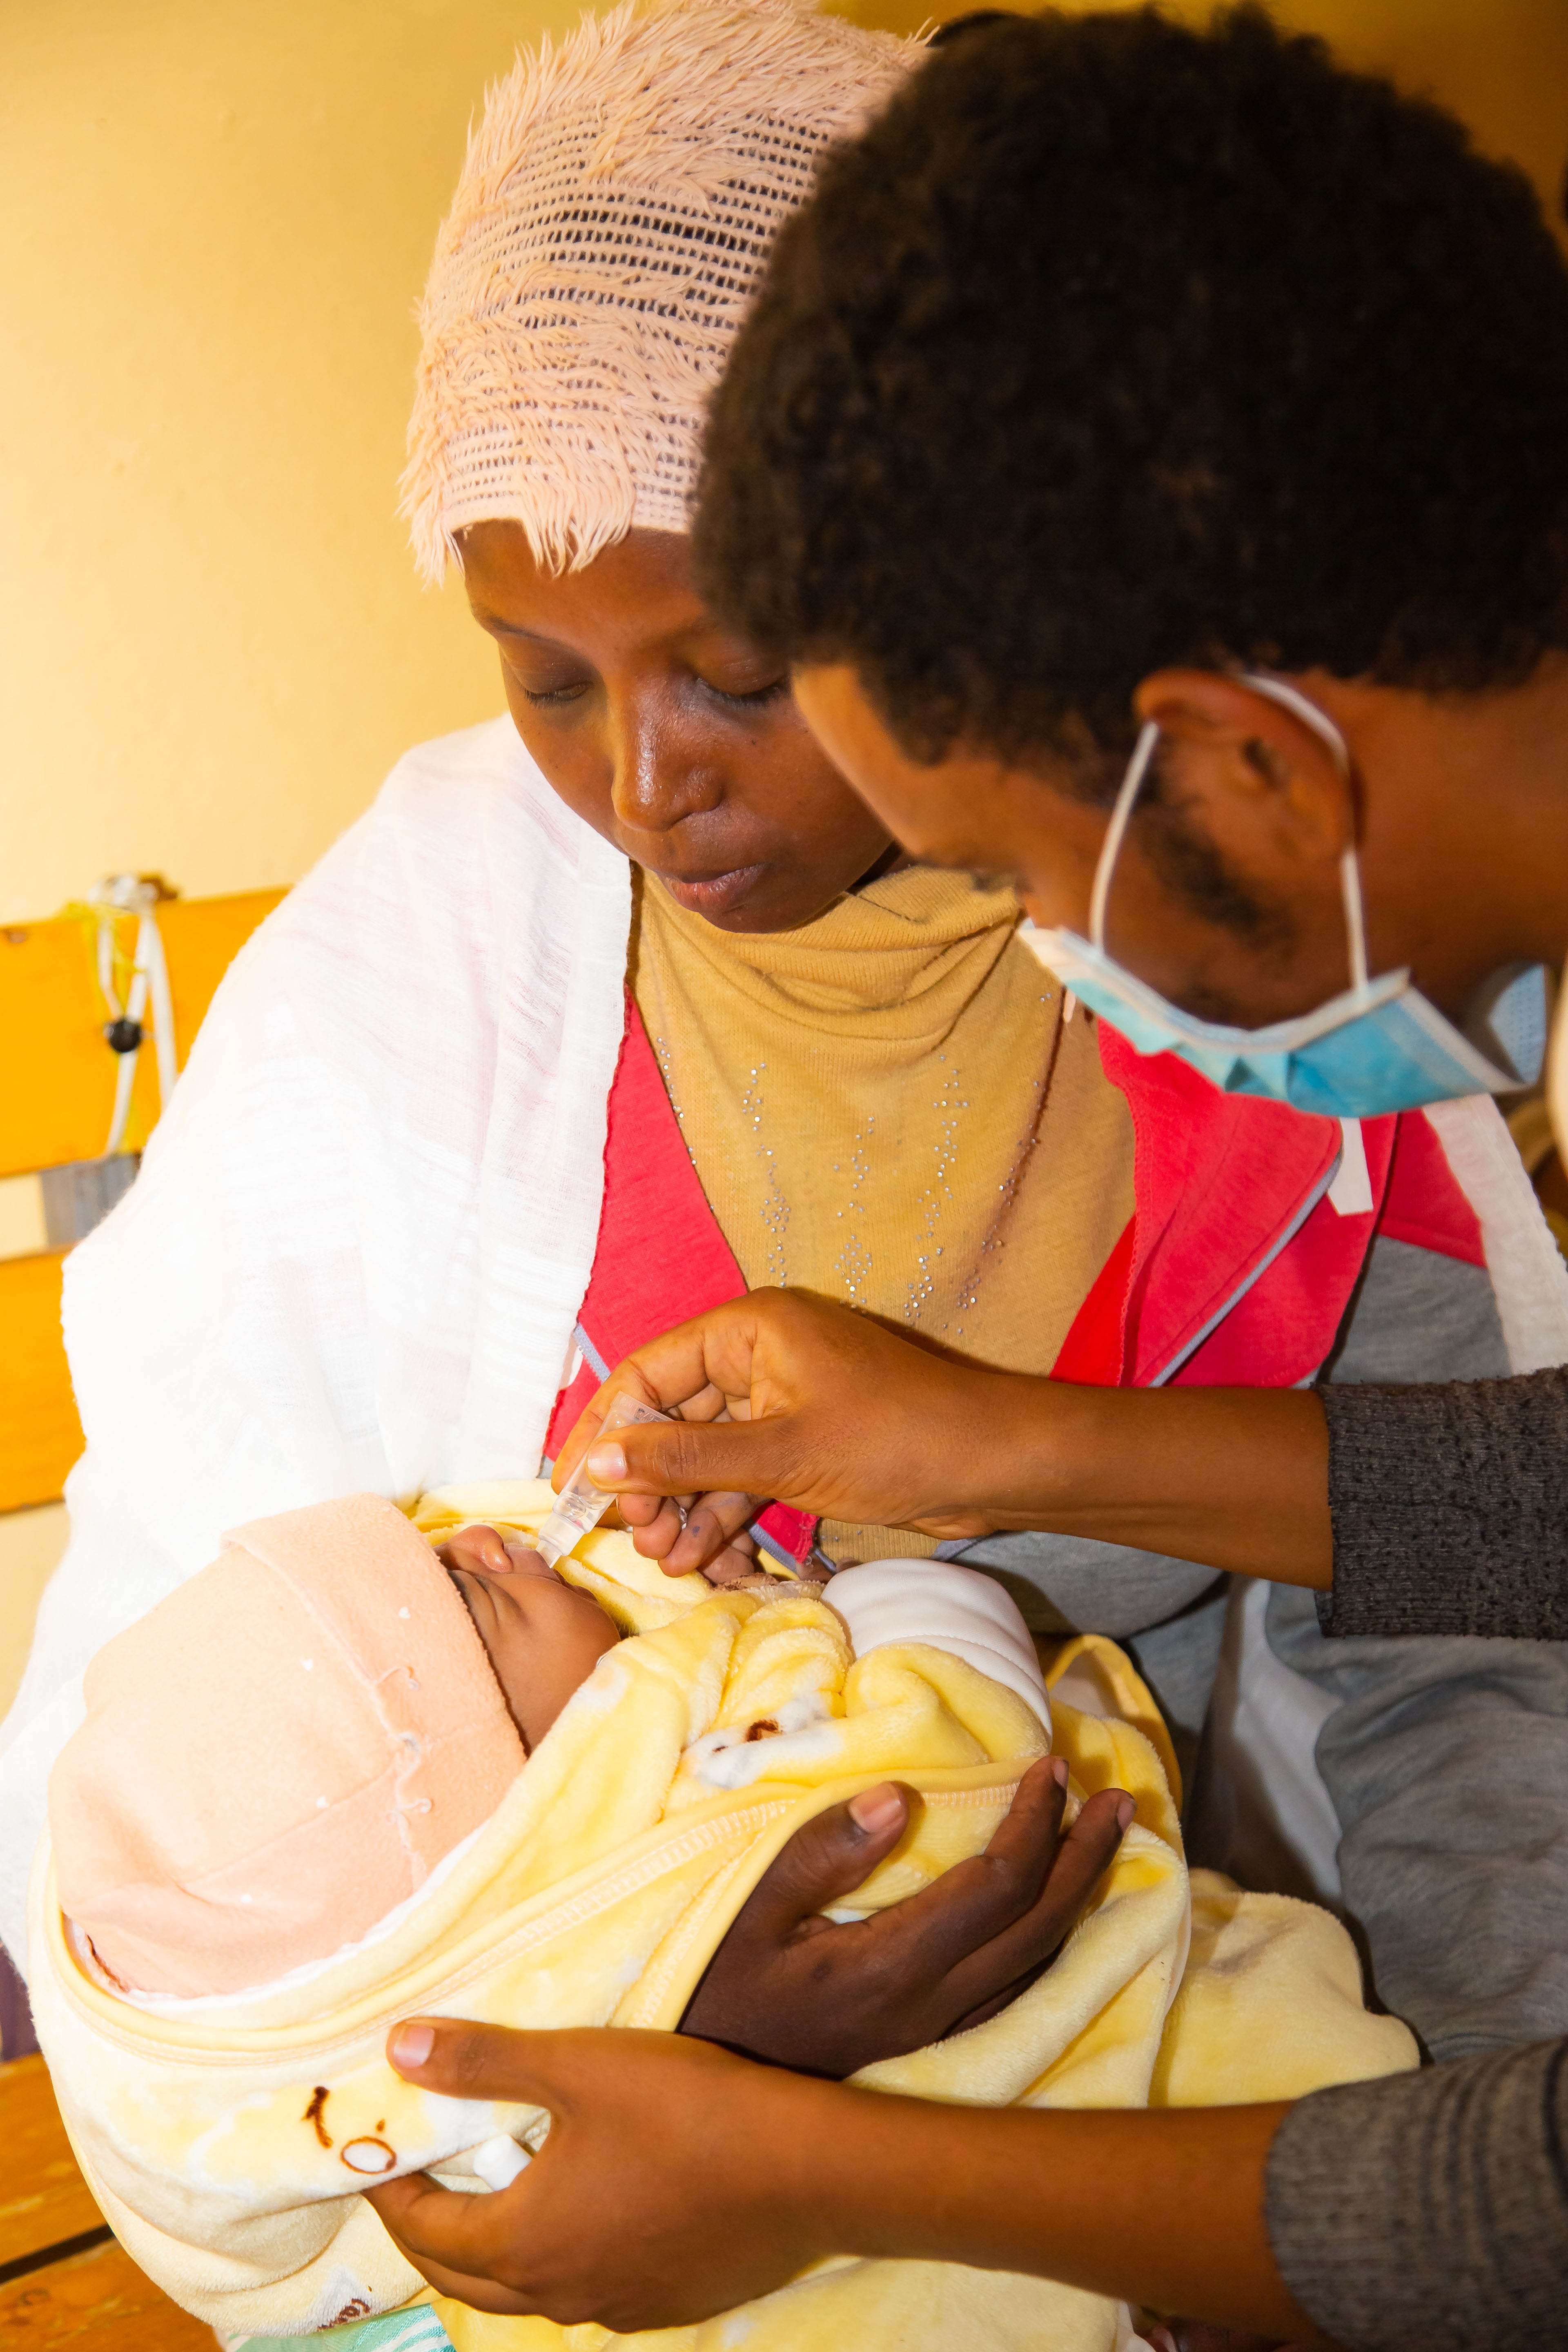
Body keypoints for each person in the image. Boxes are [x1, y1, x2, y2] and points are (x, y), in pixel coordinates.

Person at [0, 0, 1522, 2084]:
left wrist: (1427, 2183)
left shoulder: (1233, 940)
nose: (643, 783)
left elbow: (1470, 1619)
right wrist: (629, 2007)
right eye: (544, 682)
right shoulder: (425, 985)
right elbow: (185, 1768)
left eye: (734, 670)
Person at [359, 10, 1568, 2350]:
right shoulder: (452, 991)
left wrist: (812, 2177)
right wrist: (981, 1439)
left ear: (1247, 763)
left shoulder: (1351, 1119)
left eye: (1026, 872)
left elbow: (1531, 2209)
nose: (1061, 969)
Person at [31, 1483, 1407, 2351]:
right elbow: (970, 1764)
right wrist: (901, 1602)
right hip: (1120, 2170)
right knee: (1259, 2040)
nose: (500, 1537)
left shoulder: (293, 2087)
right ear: (529, 1804)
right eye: (471, 1594)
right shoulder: (728, 1828)